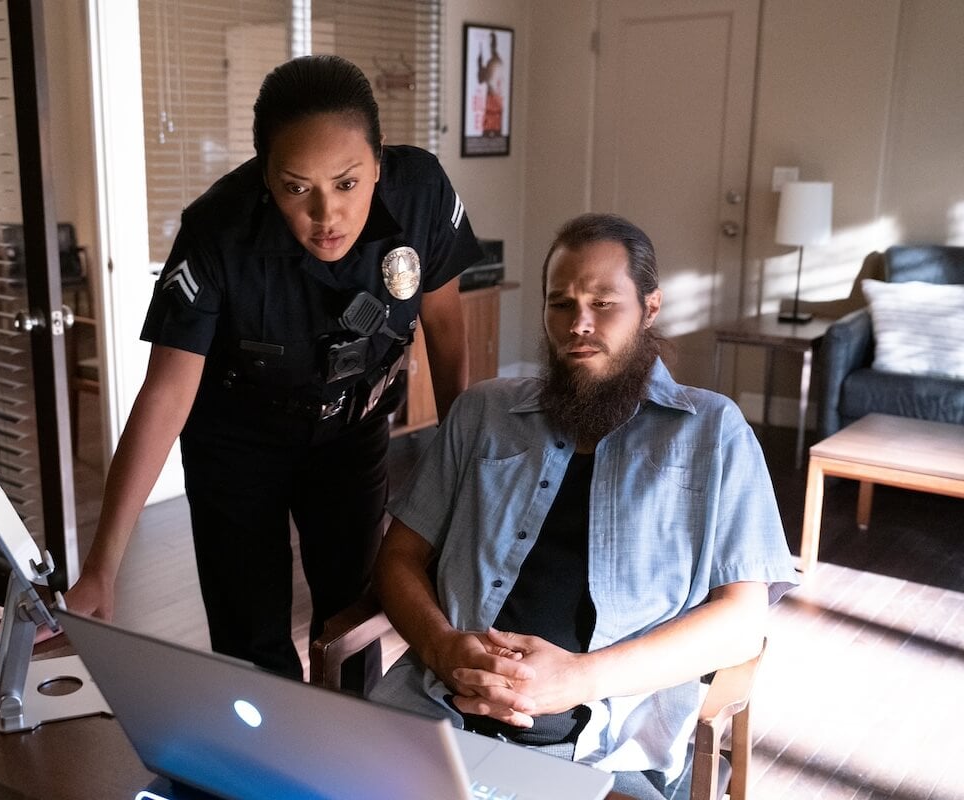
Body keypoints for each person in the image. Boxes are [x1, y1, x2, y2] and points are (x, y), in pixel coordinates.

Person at [66, 55, 483, 691]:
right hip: (237, 443)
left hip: (352, 430)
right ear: (266, 177)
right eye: (296, 188)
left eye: (347, 183)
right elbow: (167, 392)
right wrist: (103, 564)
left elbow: (447, 333)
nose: (326, 215)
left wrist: (462, 485)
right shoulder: (217, 231)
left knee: (354, 615)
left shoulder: (422, 191)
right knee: (249, 635)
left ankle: (350, 752)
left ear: (378, 160)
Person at [369, 213, 798, 799]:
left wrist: (578, 679)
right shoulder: (483, 413)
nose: (580, 325)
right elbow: (398, 558)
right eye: (561, 305)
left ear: (650, 308)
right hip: (437, 718)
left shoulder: (712, 433)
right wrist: (442, 648)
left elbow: (743, 622)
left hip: (608, 753)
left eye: (604, 304)